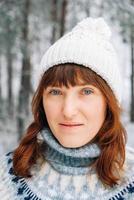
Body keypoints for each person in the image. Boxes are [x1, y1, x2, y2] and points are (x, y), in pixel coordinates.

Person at [0, 17, 134, 200]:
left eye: (86, 91)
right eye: (55, 92)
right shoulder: (6, 175)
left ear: (109, 103)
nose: (68, 111)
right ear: (41, 101)